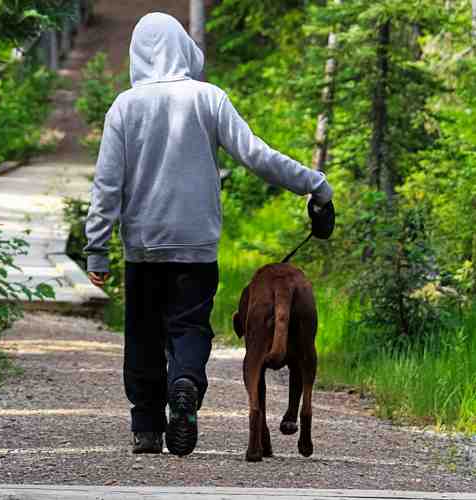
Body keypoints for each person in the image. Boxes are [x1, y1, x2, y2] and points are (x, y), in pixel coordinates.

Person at [83, 12, 333, 457]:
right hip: (196, 245)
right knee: (190, 325)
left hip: (143, 247)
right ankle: (185, 385)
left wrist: (97, 247)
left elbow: (107, 183)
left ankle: (146, 427)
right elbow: (256, 155)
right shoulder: (209, 99)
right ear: (182, 48)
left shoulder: (125, 106)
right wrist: (314, 184)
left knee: (142, 332)